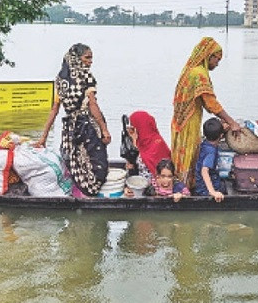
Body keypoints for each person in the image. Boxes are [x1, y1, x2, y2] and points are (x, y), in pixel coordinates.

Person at [35, 43, 110, 196]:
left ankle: (78, 192)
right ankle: (93, 192)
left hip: (70, 128)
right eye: (87, 58)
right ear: (77, 58)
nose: (90, 61)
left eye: (91, 58)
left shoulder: (60, 80)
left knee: (75, 160)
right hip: (87, 126)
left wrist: (43, 137)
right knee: (97, 162)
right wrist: (104, 129)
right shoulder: (86, 77)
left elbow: (54, 110)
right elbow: (93, 105)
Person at [171, 36, 241, 186]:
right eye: (217, 59)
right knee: (189, 154)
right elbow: (210, 103)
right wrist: (231, 122)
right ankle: (184, 188)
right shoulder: (199, 74)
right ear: (209, 56)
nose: (217, 63)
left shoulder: (190, 69)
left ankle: (182, 185)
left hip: (179, 121)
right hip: (188, 122)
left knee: (182, 156)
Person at [124, 110, 171, 185]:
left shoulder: (157, 143)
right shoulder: (139, 142)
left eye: (133, 128)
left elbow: (163, 172)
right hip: (139, 184)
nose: (131, 131)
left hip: (156, 188)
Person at [193, 118, 226, 203]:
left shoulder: (204, 143)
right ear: (221, 136)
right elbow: (204, 171)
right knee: (225, 186)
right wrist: (212, 192)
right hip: (204, 189)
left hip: (199, 183)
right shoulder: (211, 152)